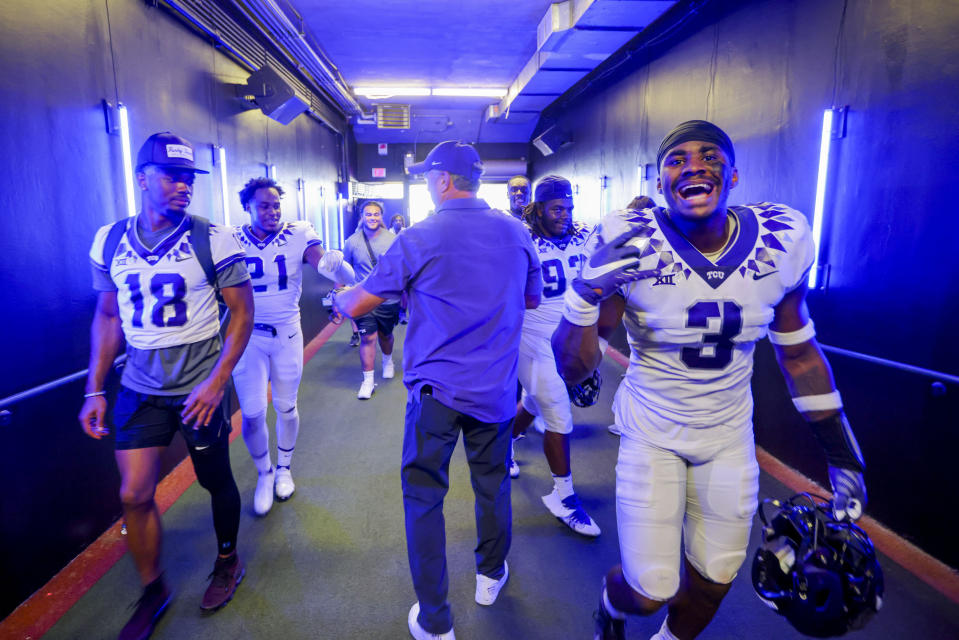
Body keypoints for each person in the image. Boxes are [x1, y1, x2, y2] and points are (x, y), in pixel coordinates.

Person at [551, 120, 868, 640]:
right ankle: (611, 604)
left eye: (710, 157)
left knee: (716, 579)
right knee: (650, 588)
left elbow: (800, 356)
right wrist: (585, 293)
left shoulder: (781, 239)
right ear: (660, 183)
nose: (694, 165)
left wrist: (841, 454)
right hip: (652, 433)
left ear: (734, 175)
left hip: (727, 438)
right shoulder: (629, 240)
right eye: (676, 159)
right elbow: (574, 369)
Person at [332, 140, 542, 640]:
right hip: (495, 392)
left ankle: (435, 621)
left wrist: (338, 294)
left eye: (429, 175)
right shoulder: (517, 233)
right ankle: (491, 575)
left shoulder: (420, 236)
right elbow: (531, 299)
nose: (427, 181)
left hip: (436, 396)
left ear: (444, 180)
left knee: (424, 498)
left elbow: (359, 303)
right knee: (493, 487)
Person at [79, 132, 254, 640]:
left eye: (189, 178)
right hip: (138, 385)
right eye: (171, 176)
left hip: (198, 385)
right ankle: (153, 587)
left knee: (213, 479)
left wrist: (218, 381)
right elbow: (108, 315)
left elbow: (242, 312)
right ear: (141, 178)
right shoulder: (109, 239)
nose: (183, 186)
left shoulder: (212, 237)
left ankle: (227, 560)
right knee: (134, 492)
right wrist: (94, 388)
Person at [232, 177, 354, 516]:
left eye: (275, 205)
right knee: (253, 413)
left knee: (286, 406)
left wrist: (336, 264)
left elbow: (332, 269)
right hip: (248, 336)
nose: (271, 212)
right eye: (263, 206)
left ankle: (284, 467)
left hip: (286, 332)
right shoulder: (231, 238)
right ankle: (264, 472)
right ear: (248, 208)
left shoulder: (298, 232)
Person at [508, 175, 601, 537]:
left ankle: (502, 449)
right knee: (559, 413)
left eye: (569, 207)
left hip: (568, 337)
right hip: (532, 337)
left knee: (534, 400)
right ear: (540, 208)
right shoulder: (521, 238)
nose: (564, 215)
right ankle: (563, 496)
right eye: (556, 208)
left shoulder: (584, 233)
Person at [342, 200, 401, 398]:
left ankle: (387, 359)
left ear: (381, 217)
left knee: (385, 335)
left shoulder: (392, 239)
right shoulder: (352, 242)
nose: (372, 217)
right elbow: (344, 272)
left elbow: (399, 270)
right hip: (362, 297)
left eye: (376, 214)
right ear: (362, 217)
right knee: (367, 337)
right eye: (369, 214)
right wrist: (340, 296)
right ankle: (367, 381)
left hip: (387, 299)